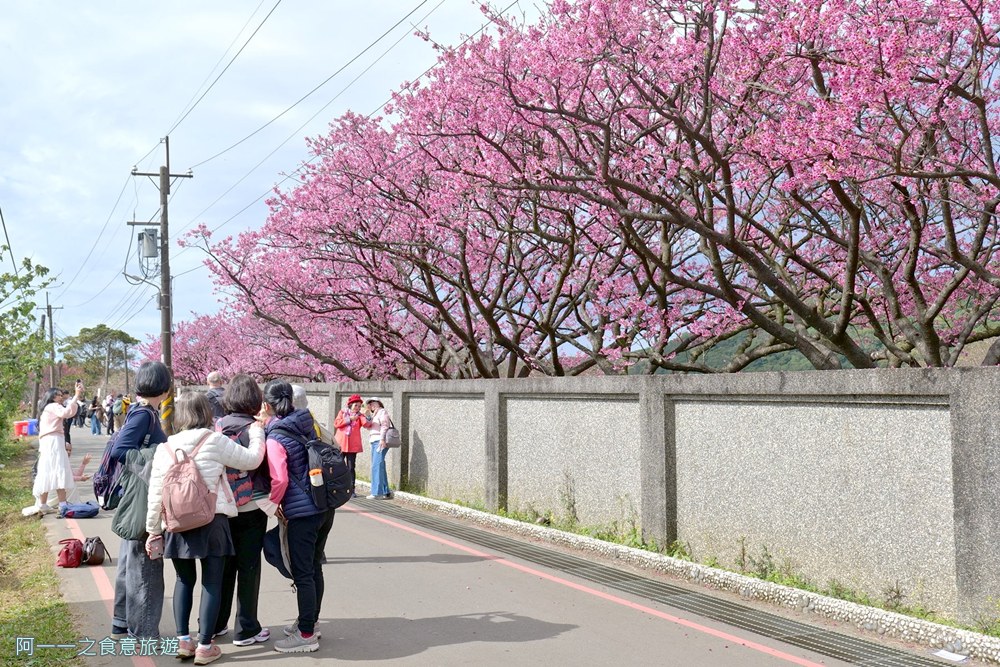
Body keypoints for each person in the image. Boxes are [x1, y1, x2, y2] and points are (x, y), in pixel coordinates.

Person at [145, 392, 265, 665]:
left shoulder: (165, 447)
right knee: (212, 582)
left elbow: (155, 494)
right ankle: (204, 646)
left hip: (176, 524)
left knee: (183, 581)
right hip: (213, 520)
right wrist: (257, 433)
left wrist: (153, 530)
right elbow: (251, 460)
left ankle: (184, 642)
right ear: (206, 413)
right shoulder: (215, 441)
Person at [262, 380, 335, 653]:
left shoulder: (275, 436)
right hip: (324, 507)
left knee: (303, 572)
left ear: (267, 405)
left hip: (302, 513)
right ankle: (310, 623)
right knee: (314, 567)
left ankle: (305, 635)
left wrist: (273, 505)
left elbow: (279, 479)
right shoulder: (307, 422)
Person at [110, 362, 171, 641]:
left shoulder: (139, 410)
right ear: (164, 388)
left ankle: (121, 622)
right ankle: (144, 632)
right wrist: (158, 455)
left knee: (129, 561)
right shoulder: (145, 415)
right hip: (141, 496)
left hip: (134, 493)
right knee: (145, 566)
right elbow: (122, 450)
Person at [213, 375, 275, 647]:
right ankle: (246, 628)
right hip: (251, 508)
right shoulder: (255, 429)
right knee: (248, 569)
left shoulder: (217, 427)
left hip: (222, 509)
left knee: (222, 567)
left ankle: (215, 624)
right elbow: (261, 463)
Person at [32, 382, 85, 514]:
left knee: (48, 471)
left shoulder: (46, 408)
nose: (62, 398)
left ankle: (43, 504)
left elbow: (69, 412)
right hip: (54, 442)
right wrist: (77, 395)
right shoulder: (53, 406)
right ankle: (62, 504)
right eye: (59, 395)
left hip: (49, 442)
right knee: (59, 470)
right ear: (52, 397)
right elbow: (67, 412)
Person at [333, 394, 370, 497]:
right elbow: (336, 423)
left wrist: (368, 415)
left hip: (352, 446)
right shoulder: (343, 412)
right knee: (338, 466)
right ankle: (337, 488)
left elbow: (367, 425)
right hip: (340, 444)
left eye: (359, 406)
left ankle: (351, 489)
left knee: (351, 467)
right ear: (350, 405)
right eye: (356, 405)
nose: (357, 408)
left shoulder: (360, 416)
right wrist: (349, 419)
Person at [365, 398, 393, 500]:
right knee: (379, 465)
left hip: (379, 441)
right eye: (369, 404)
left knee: (376, 466)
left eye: (372, 403)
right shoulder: (374, 414)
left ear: (378, 403)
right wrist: (368, 416)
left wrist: (382, 439)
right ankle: (386, 491)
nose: (371, 406)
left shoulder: (382, 412)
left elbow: (385, 426)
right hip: (374, 441)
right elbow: (368, 427)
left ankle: (377, 492)